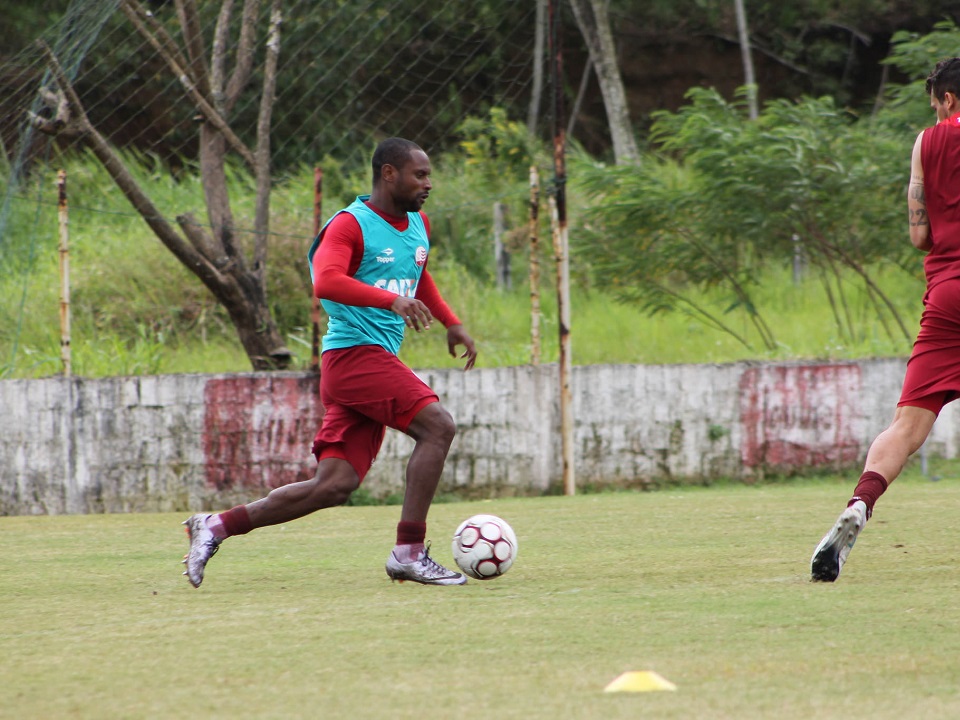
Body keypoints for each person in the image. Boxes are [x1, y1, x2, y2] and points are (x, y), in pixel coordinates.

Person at [182, 137, 478, 587]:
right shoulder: (349, 225)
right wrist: (393, 302)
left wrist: (450, 321)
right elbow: (327, 282)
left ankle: (215, 525)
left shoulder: (419, 224)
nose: (428, 183)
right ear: (388, 174)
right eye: (420, 174)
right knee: (438, 426)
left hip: (366, 363)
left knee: (333, 485)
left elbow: (418, 271)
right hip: (353, 356)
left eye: (429, 175)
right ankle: (409, 551)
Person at [811, 57, 960, 582]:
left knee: (907, 425)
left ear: (946, 99)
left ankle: (859, 504)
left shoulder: (925, 143)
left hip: (945, 295)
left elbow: (919, 235)